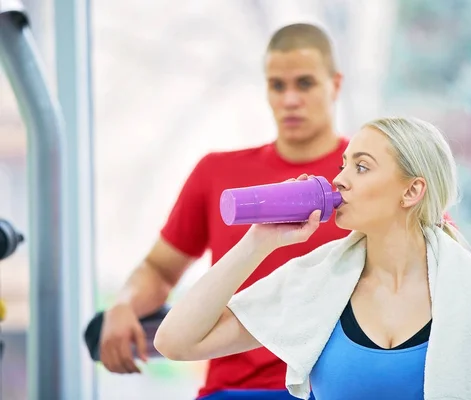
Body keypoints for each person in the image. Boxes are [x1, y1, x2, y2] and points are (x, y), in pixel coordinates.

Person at [153, 116, 471, 400]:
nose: (340, 180)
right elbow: (176, 341)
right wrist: (258, 241)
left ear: (412, 190)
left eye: (360, 167)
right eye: (343, 166)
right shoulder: (317, 284)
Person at [99, 23, 349, 399]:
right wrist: (122, 305)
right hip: (233, 389)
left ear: (335, 85)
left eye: (305, 83)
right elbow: (160, 268)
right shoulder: (218, 173)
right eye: (277, 86)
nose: (290, 99)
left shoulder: (365, 177)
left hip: (332, 389)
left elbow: (438, 258)